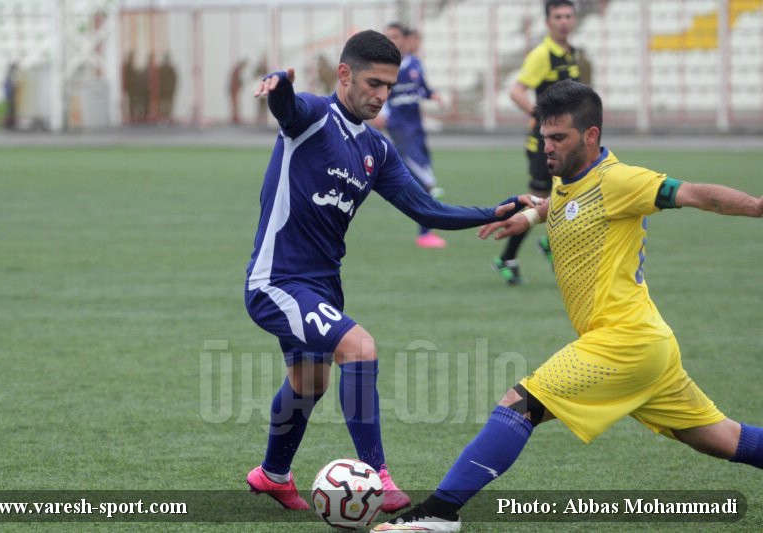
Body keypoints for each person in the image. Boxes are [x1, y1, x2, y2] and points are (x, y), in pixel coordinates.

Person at [373, 80, 763, 531]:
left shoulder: (619, 180)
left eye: (558, 138)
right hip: (648, 345)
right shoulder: (569, 178)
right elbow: (562, 202)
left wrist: (756, 206)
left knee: (521, 404)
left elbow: (696, 194)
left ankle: (438, 514)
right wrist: (529, 216)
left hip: (623, 341)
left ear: (591, 135)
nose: (547, 147)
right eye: (544, 137)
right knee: (720, 438)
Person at [244, 30, 526, 515]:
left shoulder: (377, 148)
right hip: (277, 281)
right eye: (373, 83)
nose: (382, 95)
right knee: (360, 348)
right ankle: (377, 474)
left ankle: (272, 475)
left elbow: (426, 209)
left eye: (389, 87)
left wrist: (493, 212)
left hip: (322, 286)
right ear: (345, 74)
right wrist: (280, 86)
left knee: (310, 383)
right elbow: (287, 108)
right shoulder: (312, 116)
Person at [495, 0, 580, 285]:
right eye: (558, 16)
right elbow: (516, 91)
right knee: (537, 202)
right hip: (544, 145)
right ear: (548, 22)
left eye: (568, 16)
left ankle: (550, 244)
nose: (564, 21)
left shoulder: (570, 53)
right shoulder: (543, 54)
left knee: (568, 196)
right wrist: (541, 116)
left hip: (567, 144)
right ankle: (507, 258)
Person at [373, 23, 447, 249]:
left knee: (423, 179)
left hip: (417, 131)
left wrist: (434, 96)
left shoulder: (415, 64)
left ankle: (425, 228)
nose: (392, 40)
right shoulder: (385, 68)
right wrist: (379, 114)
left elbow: (422, 89)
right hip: (400, 132)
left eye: (395, 36)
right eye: (388, 36)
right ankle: (425, 233)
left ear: (405, 39)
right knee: (427, 181)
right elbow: (378, 94)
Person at [158, 52, 177, 123]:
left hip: (169, 92)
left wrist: (172, 89)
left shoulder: (171, 69)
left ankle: (167, 119)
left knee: (168, 105)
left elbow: (174, 80)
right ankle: (163, 119)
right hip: (163, 92)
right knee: (163, 105)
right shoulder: (161, 69)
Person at [229, 58, 247, 124]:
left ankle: (235, 117)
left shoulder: (237, 70)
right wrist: (240, 84)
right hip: (234, 89)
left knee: (235, 104)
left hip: (234, 89)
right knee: (235, 104)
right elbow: (235, 81)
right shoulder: (237, 71)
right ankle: (235, 117)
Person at [3, 62, 19, 130]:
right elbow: (11, 87)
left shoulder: (9, 76)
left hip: (10, 96)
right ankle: (9, 124)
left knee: (11, 110)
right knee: (11, 110)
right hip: (10, 97)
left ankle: (10, 124)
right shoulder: (10, 77)